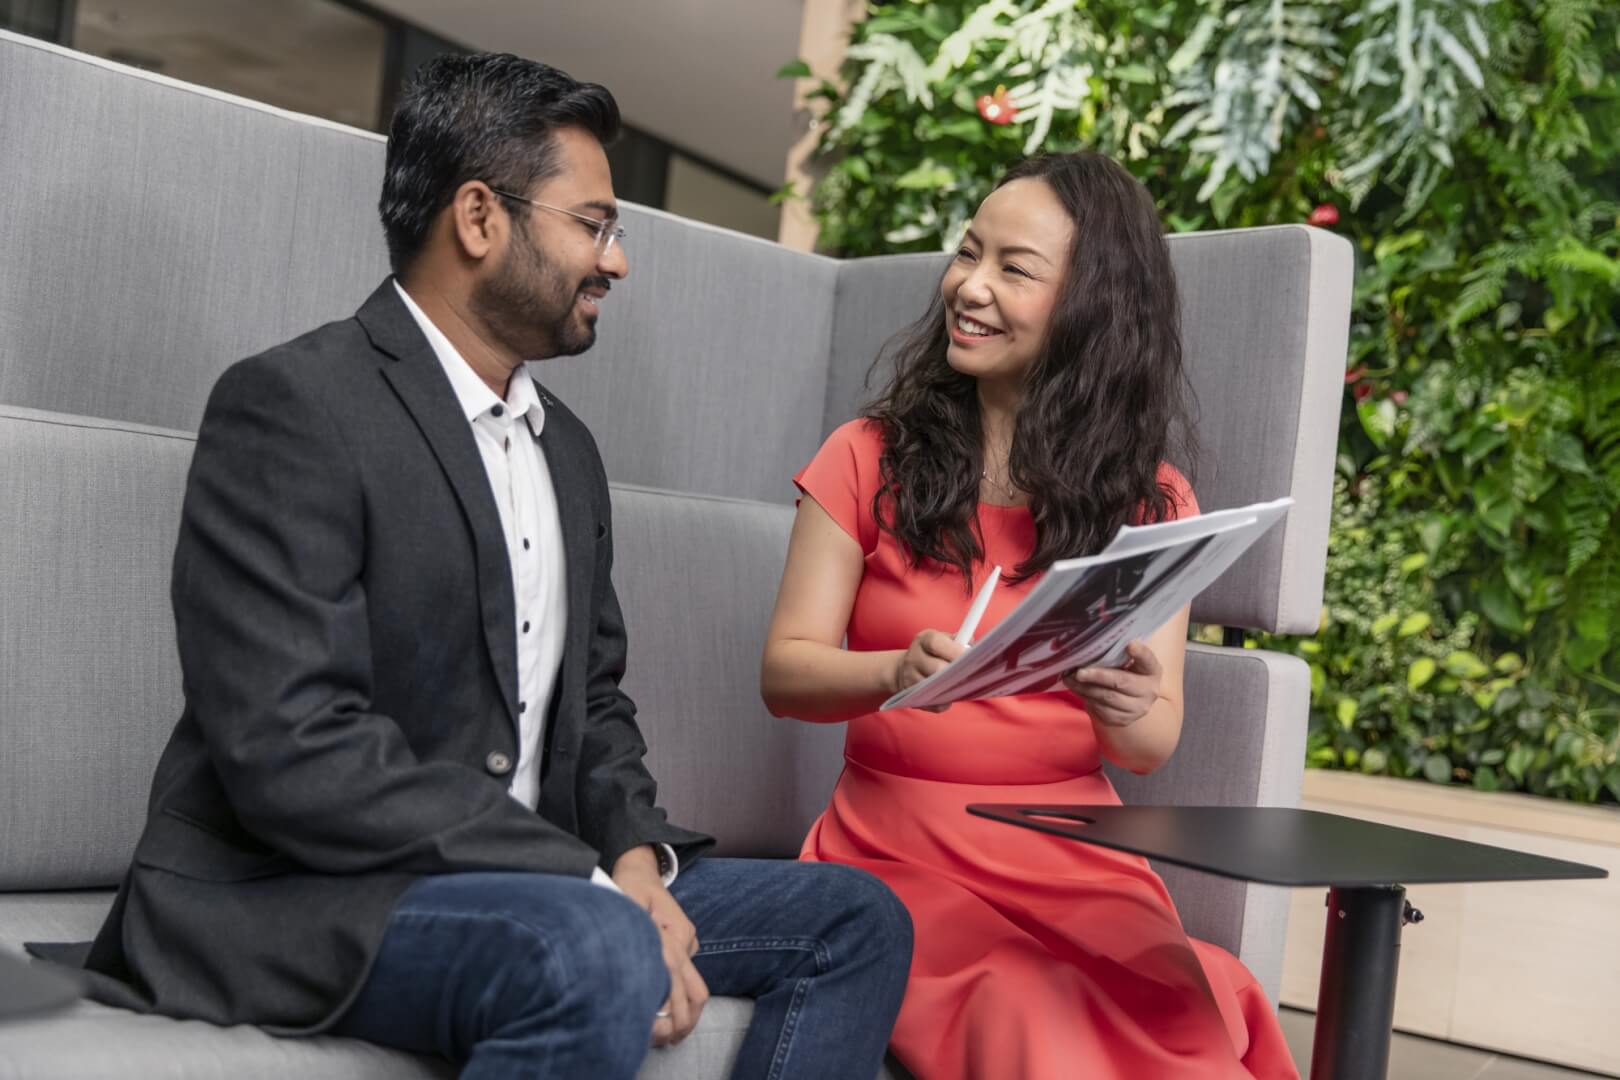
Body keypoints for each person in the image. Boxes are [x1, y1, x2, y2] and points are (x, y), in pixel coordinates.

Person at [69, 53, 911, 1080]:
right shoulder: (295, 407)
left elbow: (594, 705)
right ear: (479, 218)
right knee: (589, 947)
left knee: (859, 920)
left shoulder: (569, 453)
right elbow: (293, 749)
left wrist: (637, 861)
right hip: (301, 887)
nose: (618, 260)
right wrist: (589, 885)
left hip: (543, 877)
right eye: (594, 223)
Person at [760, 151, 1298, 1079]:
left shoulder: (1152, 499)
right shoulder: (865, 456)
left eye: (1013, 269)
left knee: (1191, 1010)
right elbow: (786, 672)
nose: (969, 286)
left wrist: (1129, 708)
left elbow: (1147, 743)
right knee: (1025, 1007)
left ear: (1091, 308)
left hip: (1072, 851)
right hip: (894, 848)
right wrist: (893, 672)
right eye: (968, 253)